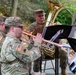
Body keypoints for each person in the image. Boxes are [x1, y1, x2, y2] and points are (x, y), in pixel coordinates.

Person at [28, 9, 68, 75]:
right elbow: (30, 40)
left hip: (51, 48)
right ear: (35, 17)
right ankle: (37, 72)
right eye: (39, 16)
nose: (42, 17)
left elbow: (57, 38)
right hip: (40, 49)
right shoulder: (32, 26)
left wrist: (59, 29)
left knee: (64, 53)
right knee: (37, 55)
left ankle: (63, 72)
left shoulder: (50, 24)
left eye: (43, 15)